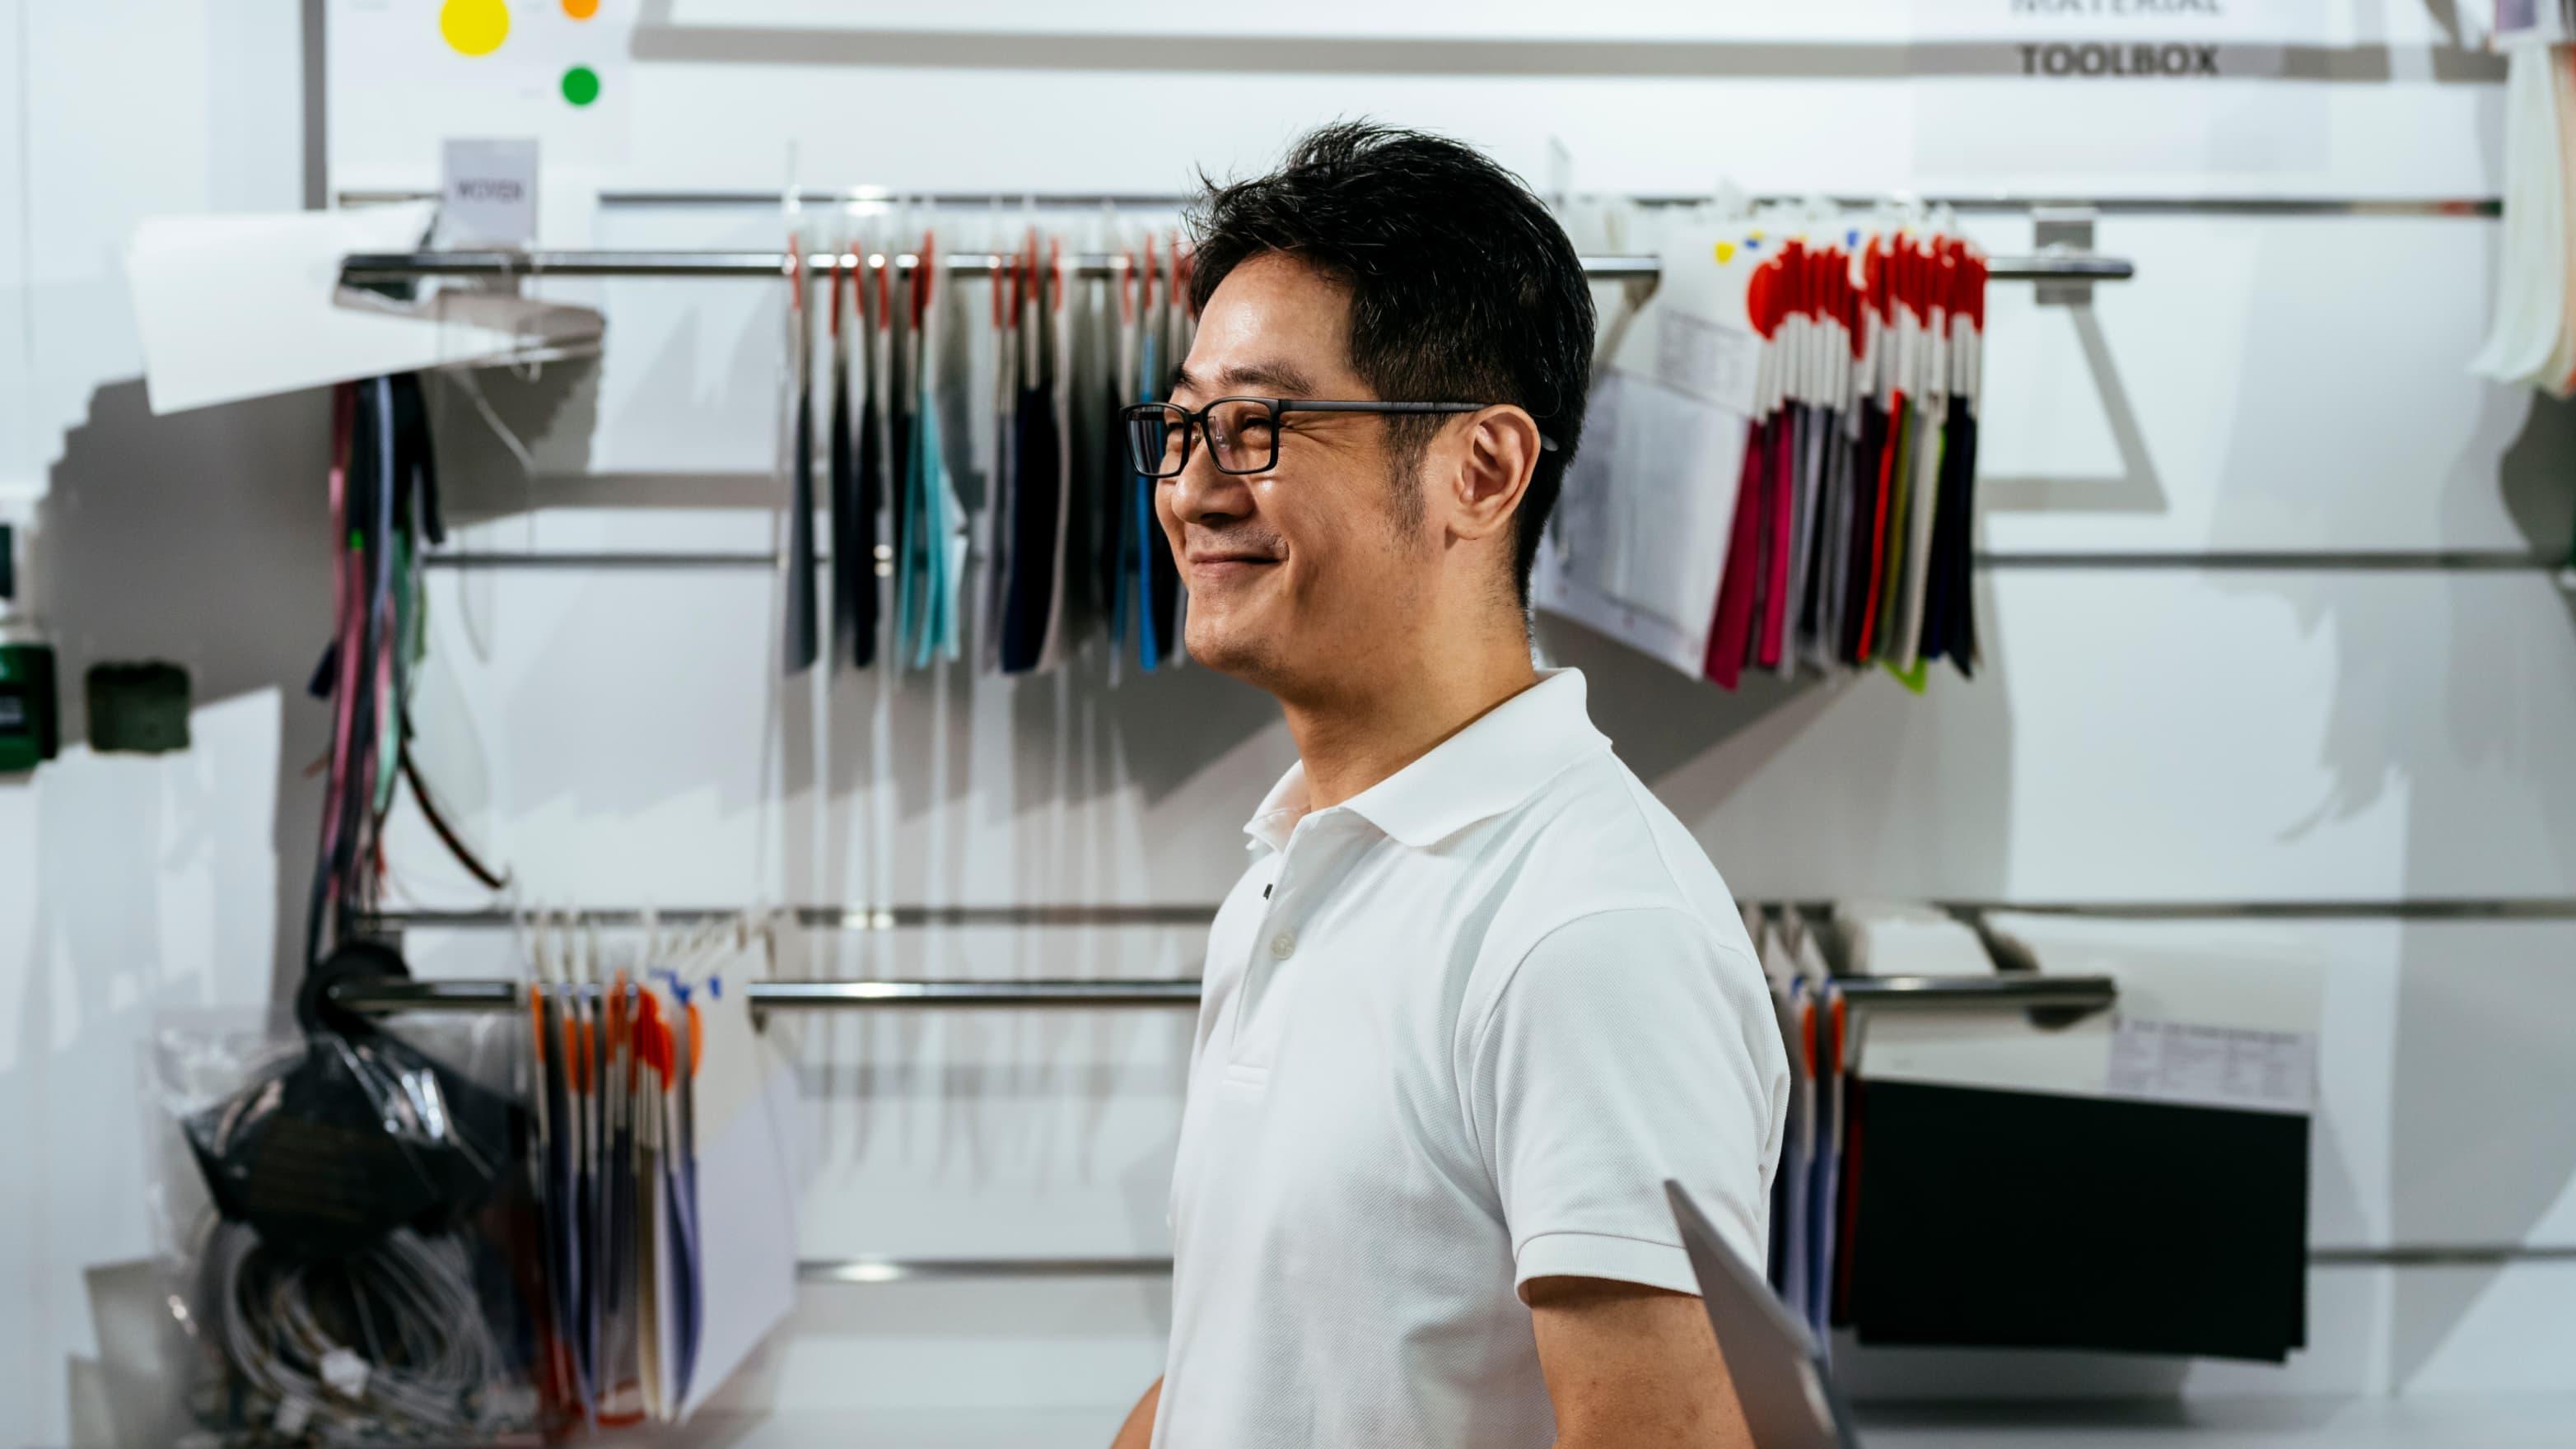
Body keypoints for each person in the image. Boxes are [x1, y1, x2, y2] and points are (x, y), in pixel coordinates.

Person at [1108, 122, 1790, 1449]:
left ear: (1482, 470)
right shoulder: (1293, 868)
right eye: (1182, 422)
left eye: (1254, 426)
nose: (1190, 488)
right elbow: (1249, 1360)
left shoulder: (1589, 934)